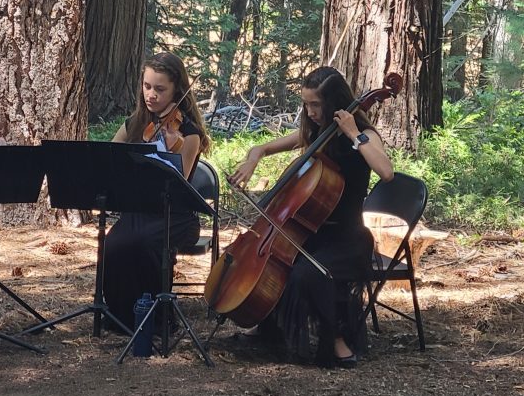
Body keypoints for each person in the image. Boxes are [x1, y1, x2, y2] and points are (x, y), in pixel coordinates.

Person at [228, 66, 394, 368]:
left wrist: (354, 134)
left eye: (315, 104)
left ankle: (336, 338)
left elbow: (386, 172)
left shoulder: (365, 135)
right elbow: (263, 147)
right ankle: (270, 325)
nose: (310, 111)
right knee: (282, 264)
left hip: (348, 240)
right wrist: (253, 157)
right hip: (312, 235)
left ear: (334, 102)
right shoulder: (316, 133)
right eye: (306, 104)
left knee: (307, 273)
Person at [103, 52, 212, 331]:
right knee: (115, 243)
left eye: (160, 89)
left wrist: (168, 146)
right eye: (147, 86)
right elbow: (109, 158)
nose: (151, 95)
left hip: (175, 215)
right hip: (140, 210)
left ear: (177, 89)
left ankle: (157, 318)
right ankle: (121, 316)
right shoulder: (135, 123)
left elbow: (181, 184)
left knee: (143, 242)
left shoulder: (188, 133)